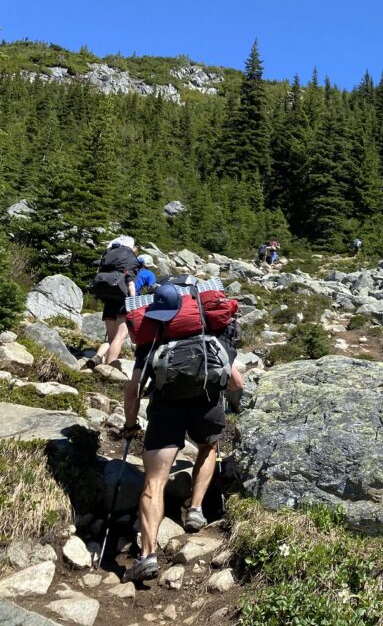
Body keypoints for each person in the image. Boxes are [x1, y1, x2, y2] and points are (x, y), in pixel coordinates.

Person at [120, 283, 244, 582]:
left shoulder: (151, 340)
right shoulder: (210, 333)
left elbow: (133, 390)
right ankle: (197, 510)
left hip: (165, 410)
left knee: (154, 481)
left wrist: (130, 423)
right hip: (206, 404)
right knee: (208, 448)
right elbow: (237, 383)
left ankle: (147, 555)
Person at [93, 236, 140, 367]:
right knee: (119, 338)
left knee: (111, 338)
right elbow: (130, 284)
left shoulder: (108, 258)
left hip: (108, 301)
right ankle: (108, 368)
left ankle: (97, 356)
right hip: (123, 303)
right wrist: (133, 305)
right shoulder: (129, 259)